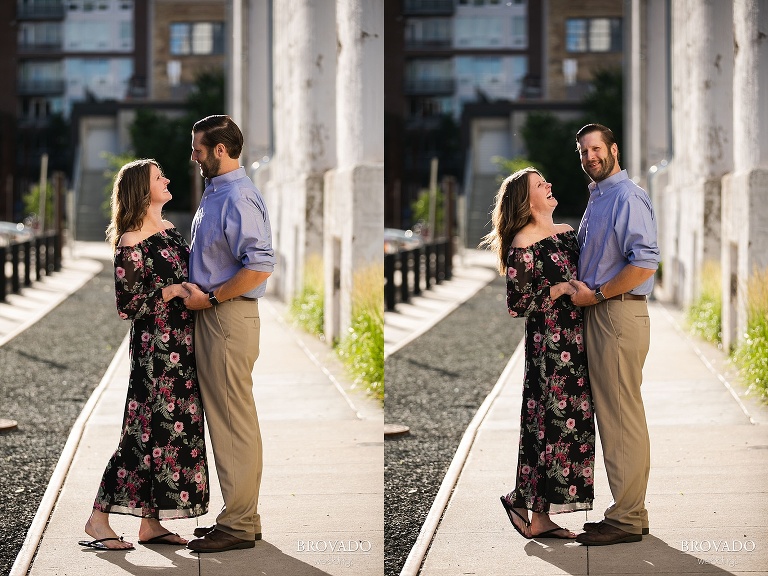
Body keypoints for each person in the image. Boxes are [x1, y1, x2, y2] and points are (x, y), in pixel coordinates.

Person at [80, 159, 209, 551]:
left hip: (182, 352)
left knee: (172, 435)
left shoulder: (169, 231)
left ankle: (150, 525)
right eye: (159, 177)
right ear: (142, 188)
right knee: (141, 437)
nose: (167, 180)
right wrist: (169, 292)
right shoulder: (130, 240)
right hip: (156, 356)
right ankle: (98, 518)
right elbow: (127, 305)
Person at [481, 167, 596, 540]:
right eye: (539, 184)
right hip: (549, 352)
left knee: (571, 430)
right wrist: (561, 289)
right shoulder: (522, 243)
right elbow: (517, 304)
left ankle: (535, 513)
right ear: (526, 201)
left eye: (547, 180)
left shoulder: (566, 234)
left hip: (578, 346)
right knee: (547, 429)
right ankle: (528, 507)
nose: (549, 185)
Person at [182, 115, 275, 553]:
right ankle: (243, 517)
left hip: (226, 317)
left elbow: (259, 265)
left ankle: (237, 525)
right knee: (235, 420)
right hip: (219, 315)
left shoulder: (237, 195)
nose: (193, 155)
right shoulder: (217, 191)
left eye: (198, 148)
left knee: (232, 421)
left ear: (220, 149)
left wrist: (212, 298)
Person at [568, 123, 660, 546]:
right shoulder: (599, 198)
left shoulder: (627, 196)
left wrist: (599, 293)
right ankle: (630, 513)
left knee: (622, 419)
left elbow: (644, 264)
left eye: (597, 148)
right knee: (617, 417)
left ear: (614, 150)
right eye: (584, 151)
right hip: (603, 314)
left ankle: (625, 518)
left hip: (617, 315)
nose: (590, 156)